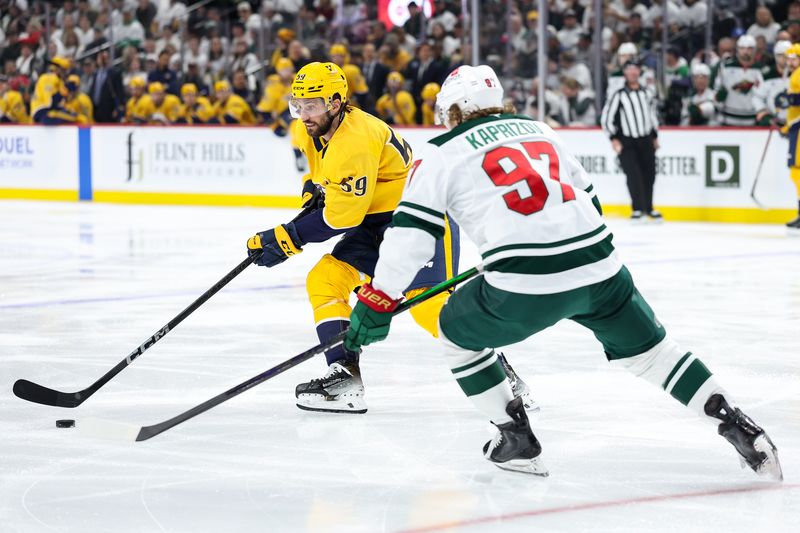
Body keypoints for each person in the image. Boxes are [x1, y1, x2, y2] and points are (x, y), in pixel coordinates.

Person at [343, 64, 783, 481]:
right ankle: (738, 423)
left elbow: (412, 236)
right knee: (655, 355)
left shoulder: (441, 152)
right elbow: (588, 203)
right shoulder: (542, 130)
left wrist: (380, 296)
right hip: (602, 270)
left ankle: (516, 438)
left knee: (457, 337)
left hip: (524, 284)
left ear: (453, 109)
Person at [245, 62, 530, 413]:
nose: (303, 114)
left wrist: (287, 238)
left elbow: (341, 217)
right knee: (325, 278)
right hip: (373, 222)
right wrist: (311, 196)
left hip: (418, 218)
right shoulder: (311, 128)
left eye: (312, 105)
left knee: (429, 308)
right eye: (298, 105)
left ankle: (502, 376)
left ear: (335, 102)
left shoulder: (356, 136)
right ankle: (343, 375)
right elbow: (321, 179)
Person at [601, 59, 661, 221]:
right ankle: (637, 208)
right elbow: (606, 118)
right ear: (625, 73)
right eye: (629, 70)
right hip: (627, 141)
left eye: (636, 69)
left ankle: (649, 208)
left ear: (639, 72)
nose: (633, 73)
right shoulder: (618, 94)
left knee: (650, 174)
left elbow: (652, 116)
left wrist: (655, 136)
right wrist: (613, 138)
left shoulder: (647, 93)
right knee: (633, 175)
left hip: (646, 139)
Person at [713, 35, 764, 126]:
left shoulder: (762, 70)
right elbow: (716, 92)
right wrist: (719, 97)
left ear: (755, 50)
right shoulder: (725, 67)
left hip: (752, 119)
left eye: (749, 48)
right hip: (728, 119)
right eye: (742, 48)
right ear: (737, 49)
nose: (746, 51)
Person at [780, 44, 800, 230]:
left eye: (794, 58)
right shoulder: (794, 75)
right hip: (795, 128)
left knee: (797, 171)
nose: (790, 61)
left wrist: (790, 100)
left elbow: (796, 101)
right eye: (789, 58)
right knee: (796, 172)